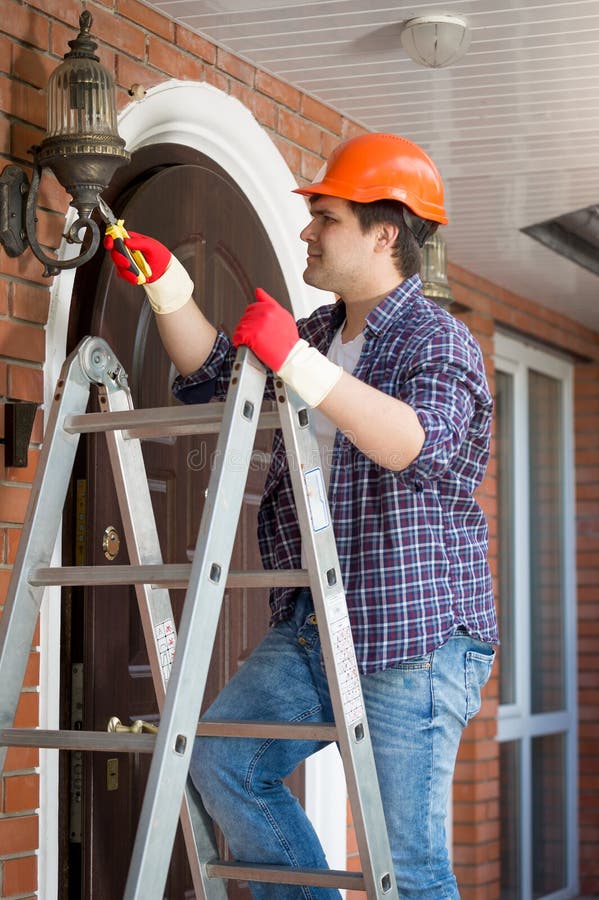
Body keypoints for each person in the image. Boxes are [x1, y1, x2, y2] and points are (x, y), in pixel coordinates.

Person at [105, 132, 498, 900]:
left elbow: (414, 446)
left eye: (326, 217)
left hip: (414, 634)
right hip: (318, 623)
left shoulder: (437, 342)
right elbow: (220, 379)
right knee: (219, 760)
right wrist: (170, 290)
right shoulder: (320, 334)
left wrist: (300, 365)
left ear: (384, 234)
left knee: (407, 869)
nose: (306, 232)